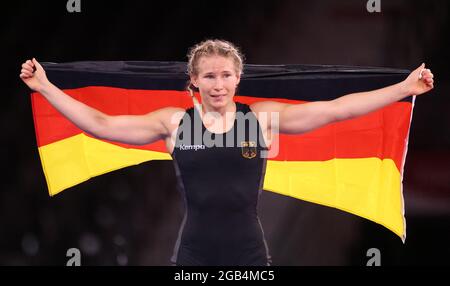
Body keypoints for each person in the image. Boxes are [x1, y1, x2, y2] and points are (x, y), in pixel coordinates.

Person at [20, 39, 434, 266]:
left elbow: (337, 110)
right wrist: (45, 87)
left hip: (249, 251)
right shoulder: (174, 123)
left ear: (238, 79)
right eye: (209, 76)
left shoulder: (263, 119)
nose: (218, 84)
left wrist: (403, 89)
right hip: (193, 252)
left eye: (226, 75)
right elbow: (102, 125)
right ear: (194, 82)